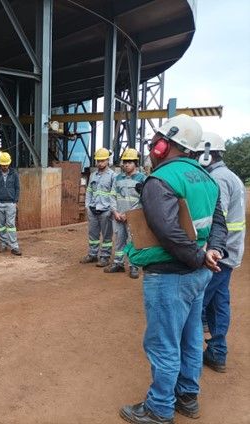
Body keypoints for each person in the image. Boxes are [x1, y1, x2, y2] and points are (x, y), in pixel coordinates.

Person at [121, 114, 227, 423]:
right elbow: (218, 223)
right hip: (200, 274)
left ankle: (159, 407)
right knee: (191, 336)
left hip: (170, 275)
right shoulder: (207, 178)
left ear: (165, 145)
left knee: (163, 342)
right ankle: (187, 397)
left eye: (156, 141)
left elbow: (167, 231)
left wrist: (196, 256)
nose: (153, 146)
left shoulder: (161, 180)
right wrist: (212, 252)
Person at [196, 132, 246, 373]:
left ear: (206, 154)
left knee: (197, 304)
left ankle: (192, 356)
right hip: (229, 253)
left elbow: (218, 218)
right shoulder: (230, 176)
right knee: (219, 302)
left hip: (218, 255)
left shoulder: (217, 179)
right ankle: (217, 352)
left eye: (196, 155)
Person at [105, 148, 146, 278]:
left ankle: (134, 266)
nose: (126, 164)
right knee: (119, 240)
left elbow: (143, 199)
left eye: (130, 162)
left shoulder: (142, 178)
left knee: (133, 240)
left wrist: (129, 213)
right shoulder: (118, 178)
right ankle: (118, 263)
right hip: (118, 216)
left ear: (136, 163)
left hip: (133, 216)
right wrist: (115, 212)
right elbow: (112, 195)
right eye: (125, 162)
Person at [81, 147, 115, 267]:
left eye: (102, 160)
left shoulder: (112, 176)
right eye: (98, 161)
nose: (100, 163)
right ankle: (92, 254)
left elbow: (114, 194)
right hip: (93, 209)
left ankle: (105, 257)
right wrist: (87, 206)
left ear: (107, 161)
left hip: (106, 210)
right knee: (93, 234)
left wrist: (112, 209)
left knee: (107, 235)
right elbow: (89, 191)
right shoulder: (93, 175)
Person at [0, 151, 21, 256]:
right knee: (1, 226)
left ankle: (14, 247)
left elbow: (17, 188)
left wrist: (15, 201)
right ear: (0, 164)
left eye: (6, 164)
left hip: (10, 203)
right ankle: (3, 244)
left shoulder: (14, 174)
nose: (5, 166)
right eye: (3, 164)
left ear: (9, 163)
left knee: (11, 225)